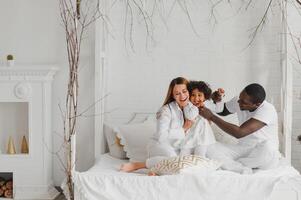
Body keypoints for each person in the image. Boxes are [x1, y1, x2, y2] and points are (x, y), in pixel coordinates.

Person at [120, 77, 198, 174]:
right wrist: (183, 129)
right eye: (177, 93)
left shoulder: (193, 108)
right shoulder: (165, 111)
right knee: (175, 163)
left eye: (184, 91)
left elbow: (213, 106)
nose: (182, 96)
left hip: (179, 148)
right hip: (161, 145)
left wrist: (218, 98)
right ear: (173, 96)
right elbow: (161, 136)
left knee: (186, 165)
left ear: (189, 91)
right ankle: (139, 165)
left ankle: (155, 170)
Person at [199, 83, 280, 174]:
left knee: (268, 148)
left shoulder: (267, 109)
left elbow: (239, 132)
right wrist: (216, 101)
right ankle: (239, 167)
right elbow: (223, 111)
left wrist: (211, 117)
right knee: (208, 147)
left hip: (262, 152)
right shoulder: (240, 99)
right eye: (239, 99)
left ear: (257, 104)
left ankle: (233, 164)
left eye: (243, 102)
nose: (238, 102)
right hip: (243, 149)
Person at [177, 81, 223, 157]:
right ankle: (184, 166)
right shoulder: (187, 105)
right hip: (190, 135)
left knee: (200, 155)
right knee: (183, 154)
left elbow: (219, 109)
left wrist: (219, 98)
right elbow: (190, 116)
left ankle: (200, 167)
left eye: (199, 95)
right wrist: (197, 107)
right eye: (193, 95)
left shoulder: (207, 104)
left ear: (205, 97)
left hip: (203, 136)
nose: (196, 98)